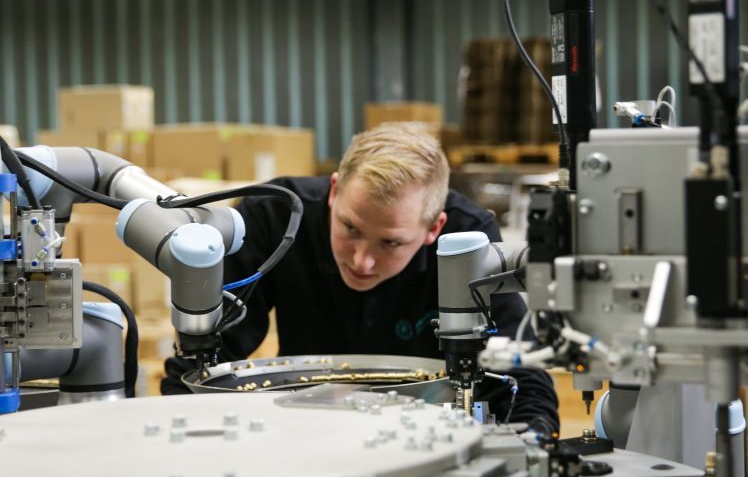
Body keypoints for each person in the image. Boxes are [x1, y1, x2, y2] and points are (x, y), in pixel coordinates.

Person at [163, 123, 559, 433]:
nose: (362, 261)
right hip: (302, 428)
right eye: (350, 228)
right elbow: (206, 359)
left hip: (426, 434)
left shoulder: (466, 239)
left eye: (391, 243)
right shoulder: (274, 217)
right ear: (335, 191)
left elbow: (518, 372)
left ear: (434, 229)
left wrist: (533, 440)